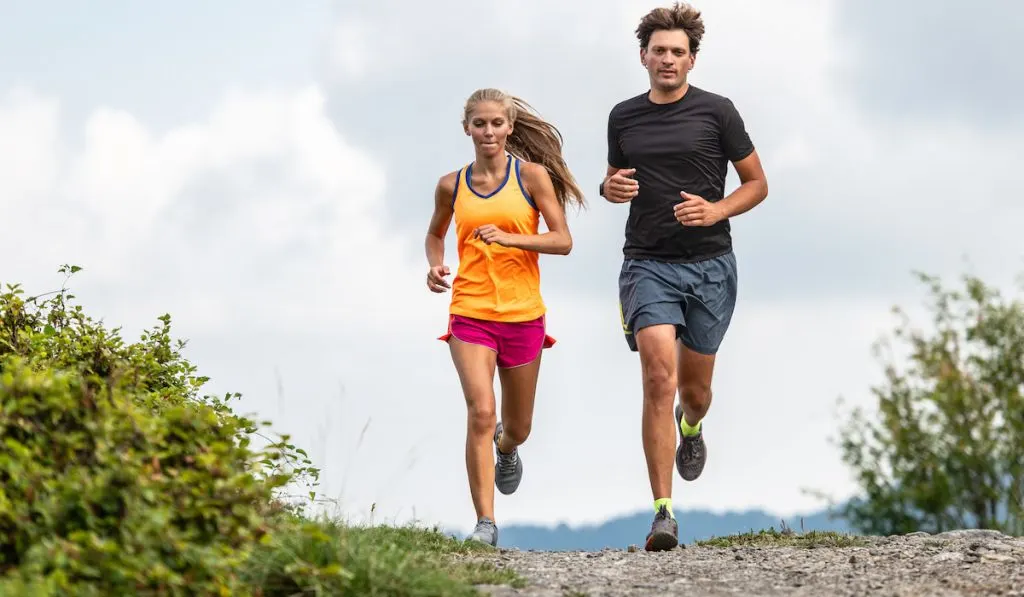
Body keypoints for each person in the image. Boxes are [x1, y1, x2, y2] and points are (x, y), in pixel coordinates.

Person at [600, 2, 769, 551]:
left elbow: (756, 184)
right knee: (657, 377)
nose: (667, 59)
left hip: (710, 266)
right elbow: (612, 180)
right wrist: (611, 190)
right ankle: (663, 513)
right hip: (647, 262)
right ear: (643, 56)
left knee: (694, 392)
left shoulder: (718, 112)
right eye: (658, 51)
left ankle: (690, 427)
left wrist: (716, 210)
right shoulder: (622, 117)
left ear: (692, 59)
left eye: (677, 51)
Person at [425, 88, 585, 547]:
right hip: (470, 312)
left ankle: (507, 447)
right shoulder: (450, 185)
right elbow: (435, 234)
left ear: (510, 127)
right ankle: (485, 523)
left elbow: (562, 240)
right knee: (480, 410)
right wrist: (435, 265)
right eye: (480, 124)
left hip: (523, 315)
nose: (488, 131)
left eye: (497, 123)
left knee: (517, 425)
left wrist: (512, 240)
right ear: (467, 129)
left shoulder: (531, 177)